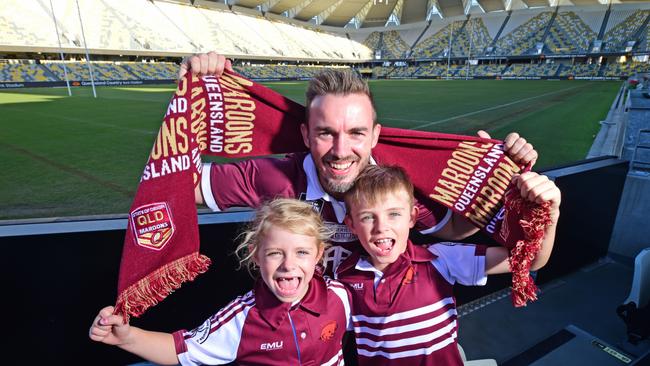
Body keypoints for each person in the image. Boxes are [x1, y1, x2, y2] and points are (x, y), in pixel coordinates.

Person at [181, 52, 540, 274]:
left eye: (355, 133)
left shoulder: (395, 188)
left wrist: (497, 176)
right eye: (325, 133)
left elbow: (454, 230)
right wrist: (189, 104)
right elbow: (181, 185)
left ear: (374, 135)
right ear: (305, 136)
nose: (340, 150)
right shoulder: (277, 176)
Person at [336, 165, 561, 365]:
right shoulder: (343, 278)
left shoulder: (441, 259)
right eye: (367, 217)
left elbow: (528, 260)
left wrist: (551, 213)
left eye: (394, 214)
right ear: (351, 224)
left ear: (412, 218)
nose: (381, 227)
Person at [89, 199, 352, 365]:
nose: (288, 264)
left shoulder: (340, 296)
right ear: (256, 256)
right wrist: (126, 337)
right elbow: (180, 350)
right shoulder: (242, 317)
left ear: (319, 255)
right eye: (275, 253)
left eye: (302, 252)